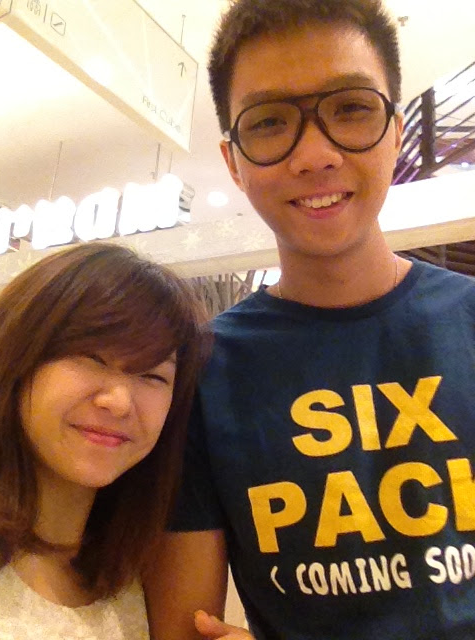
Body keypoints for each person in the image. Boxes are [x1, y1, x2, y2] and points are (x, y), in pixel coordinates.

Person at [145, 0, 475, 639]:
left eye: (350, 108)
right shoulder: (202, 375)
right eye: (270, 122)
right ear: (234, 162)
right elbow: (188, 629)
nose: (315, 154)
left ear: (396, 131)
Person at [0, 242, 245, 640]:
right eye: (91, 358)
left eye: (152, 376)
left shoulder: (133, 574)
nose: (120, 402)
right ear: (17, 355)